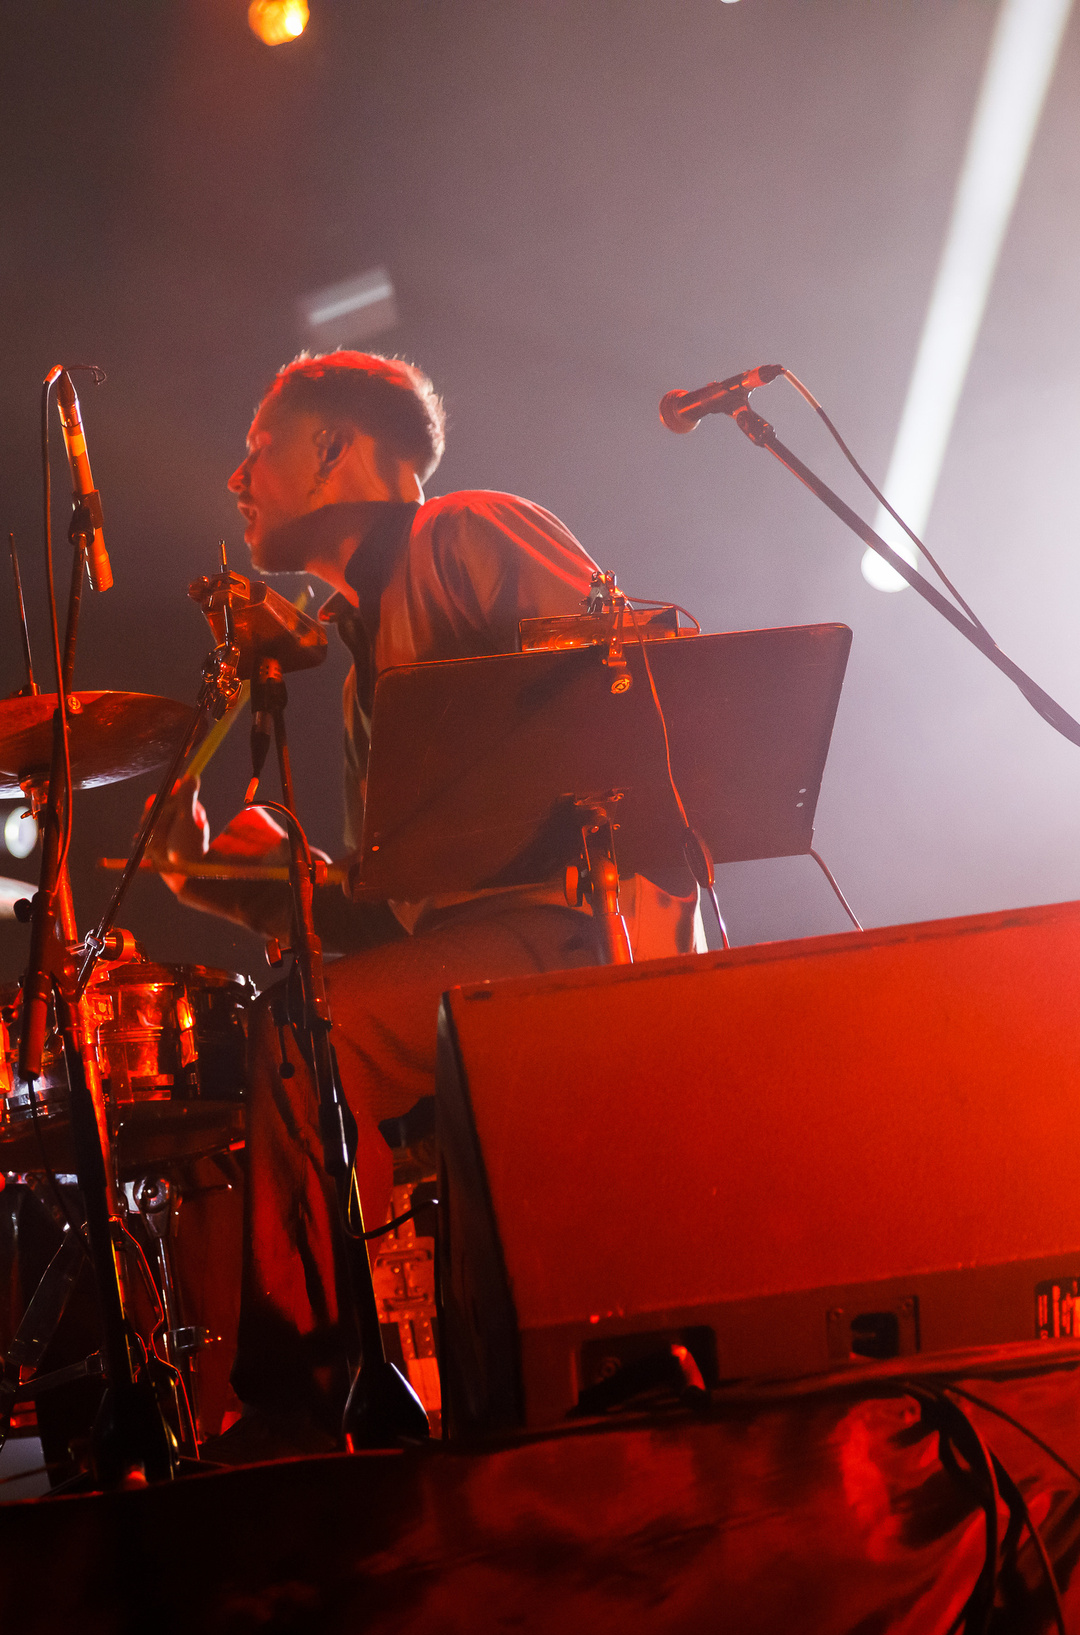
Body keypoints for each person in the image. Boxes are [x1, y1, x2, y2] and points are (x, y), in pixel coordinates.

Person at [159, 350, 692, 1449]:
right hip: (489, 953)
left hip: (574, 936)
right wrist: (243, 892)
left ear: (329, 448)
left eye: (257, 449)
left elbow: (635, 669)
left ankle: (311, 1398)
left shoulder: (465, 529)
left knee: (308, 1036)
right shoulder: (361, 673)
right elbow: (412, 917)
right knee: (314, 1012)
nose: (236, 479)